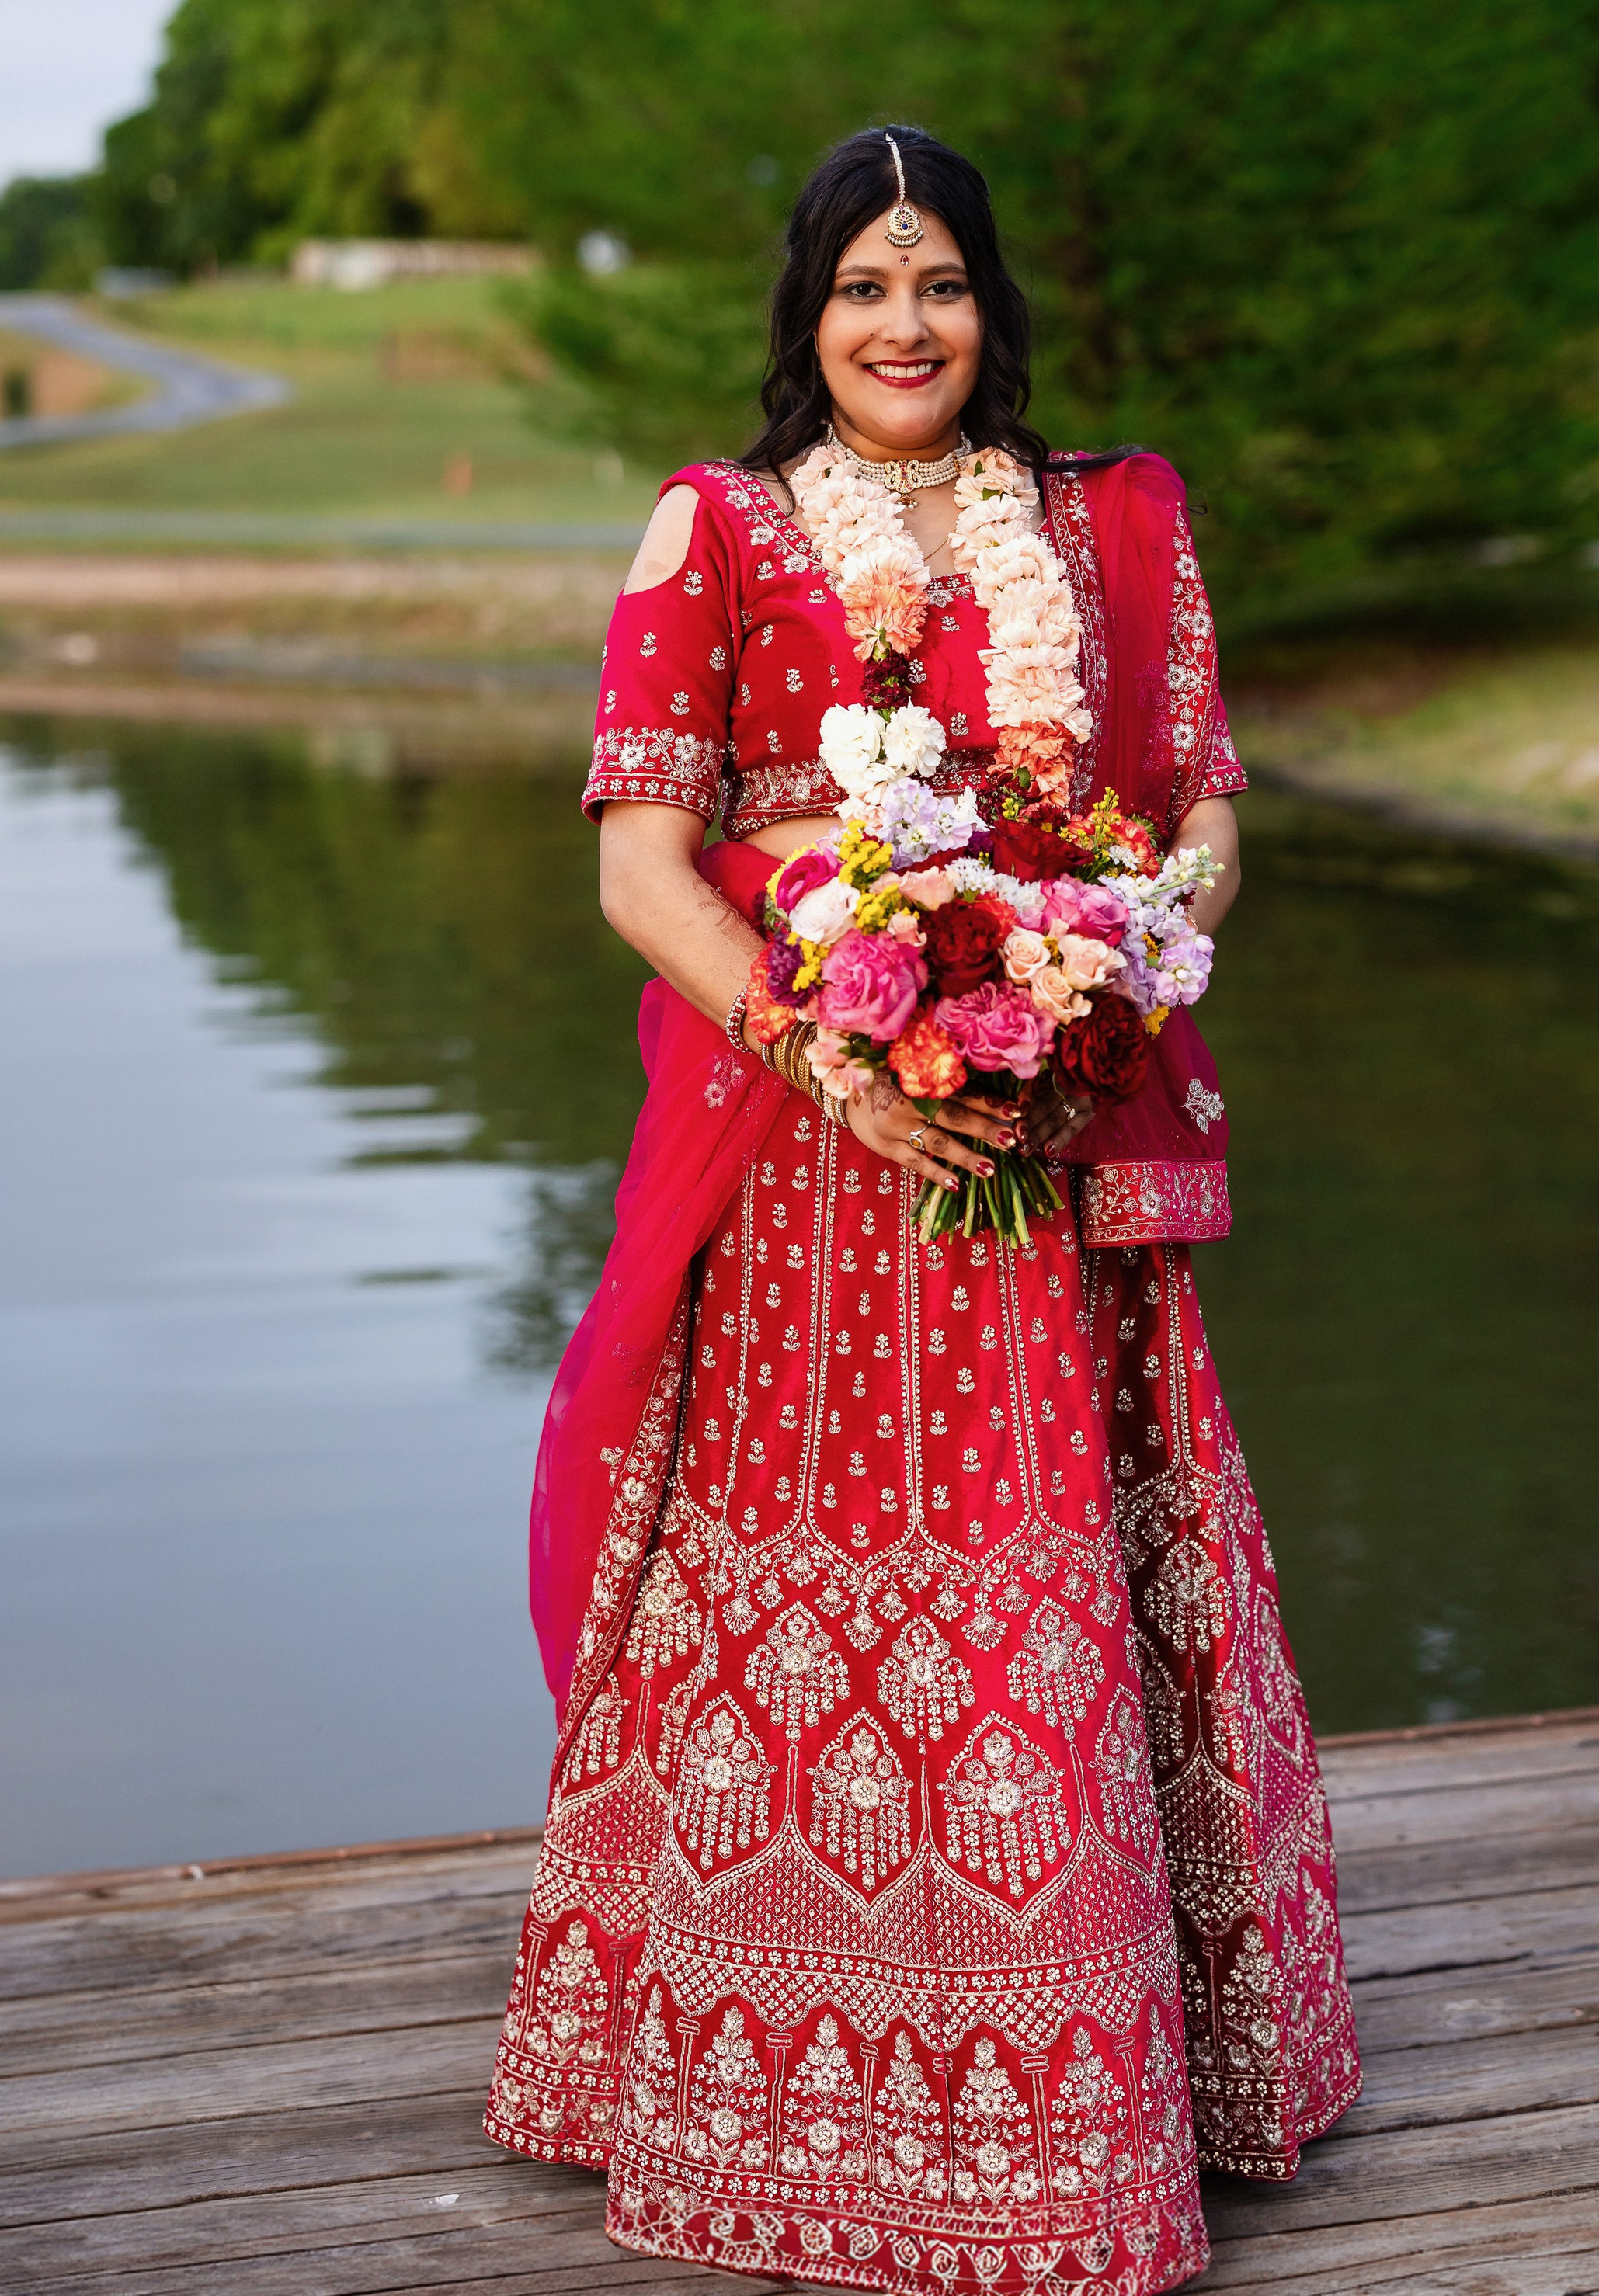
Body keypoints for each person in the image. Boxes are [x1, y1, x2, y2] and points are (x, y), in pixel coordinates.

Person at [484, 127, 1358, 2296]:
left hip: (1050, 1124)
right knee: (804, 1562)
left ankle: (1099, 2084)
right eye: (866, 284)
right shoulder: (719, 525)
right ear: (806, 311)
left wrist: (1117, 947)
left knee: (1063, 1550)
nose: (905, 325)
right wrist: (833, 1053)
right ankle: (748, 2075)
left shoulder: (1103, 527)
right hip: (805, 1151)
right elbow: (639, 868)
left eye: (943, 283)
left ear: (994, 309)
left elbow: (1209, 805)